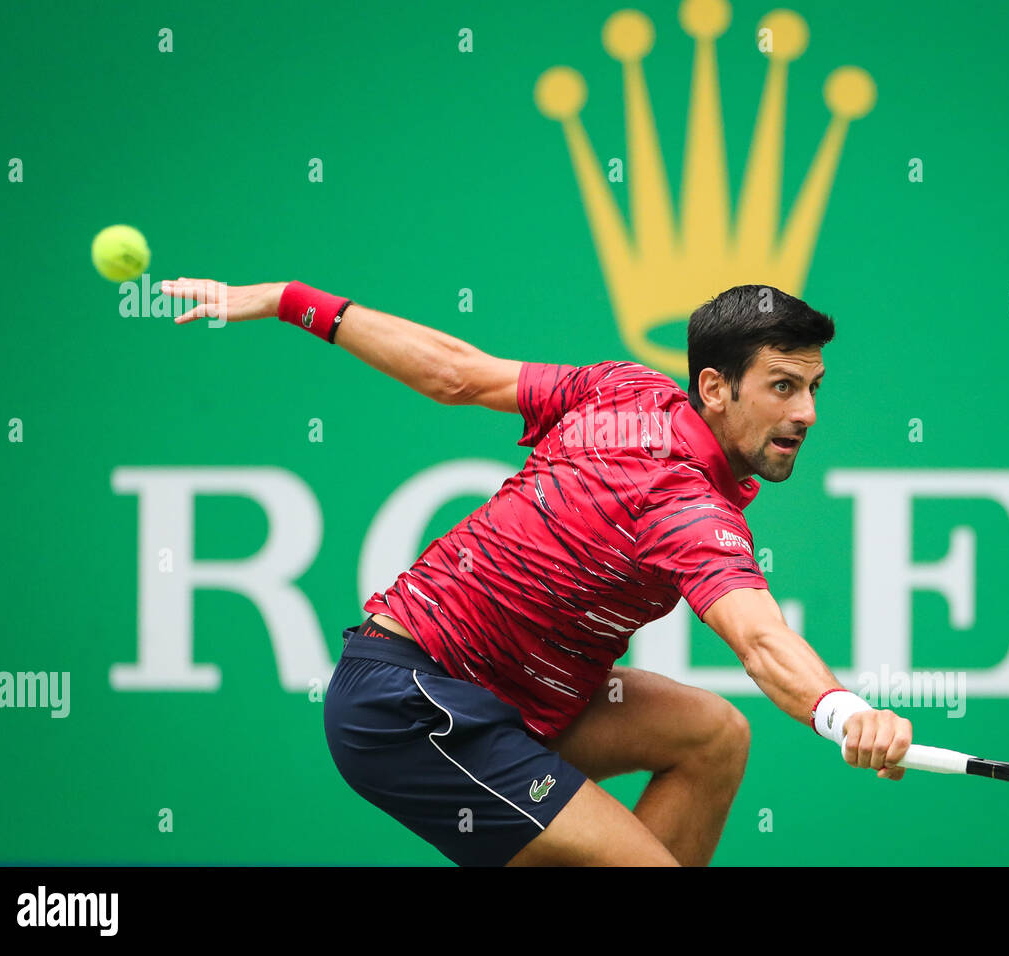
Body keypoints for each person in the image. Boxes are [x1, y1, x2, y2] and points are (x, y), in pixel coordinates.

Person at [162, 277, 913, 866]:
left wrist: (291, 299)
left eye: (814, 387)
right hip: (410, 704)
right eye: (785, 385)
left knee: (713, 736)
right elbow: (758, 638)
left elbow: (456, 375)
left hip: (515, 703)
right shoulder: (686, 507)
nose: (808, 411)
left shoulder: (627, 388)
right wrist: (844, 712)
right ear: (716, 388)